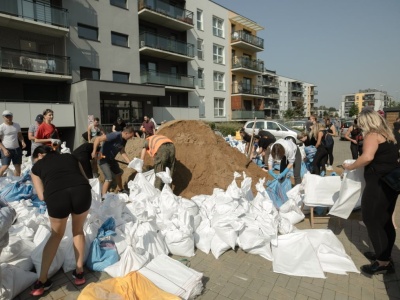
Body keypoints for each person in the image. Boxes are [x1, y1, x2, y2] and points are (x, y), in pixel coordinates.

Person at [342, 109, 399, 275]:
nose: (359, 127)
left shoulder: (372, 135)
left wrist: (350, 166)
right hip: (390, 183)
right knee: (385, 220)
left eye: (361, 123)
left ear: (367, 122)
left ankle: (383, 262)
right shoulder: (388, 134)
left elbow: (367, 157)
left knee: (371, 219)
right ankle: (384, 254)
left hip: (379, 184)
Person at [30, 146, 92, 296]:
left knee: (56, 236)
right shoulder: (70, 157)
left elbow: (42, 197)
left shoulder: (36, 167)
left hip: (57, 197)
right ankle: (79, 273)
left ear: (39, 155)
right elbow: (85, 178)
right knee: (78, 231)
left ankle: (42, 281)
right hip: (81, 191)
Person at [91, 126, 135, 195]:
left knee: (118, 173)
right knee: (109, 178)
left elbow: (122, 151)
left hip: (111, 159)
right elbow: (98, 139)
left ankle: (121, 190)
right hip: (102, 158)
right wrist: (94, 152)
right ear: (126, 133)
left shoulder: (124, 140)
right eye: (131, 136)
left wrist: (129, 162)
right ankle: (103, 198)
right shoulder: (115, 135)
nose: (131, 138)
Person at [0, 110, 26, 177]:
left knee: (18, 168)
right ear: (3, 117)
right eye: (7, 116)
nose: (9, 118)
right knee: (5, 166)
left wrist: (22, 142)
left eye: (10, 116)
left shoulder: (16, 125)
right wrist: (4, 150)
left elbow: (20, 135)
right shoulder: (2, 127)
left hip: (16, 149)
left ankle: (15, 182)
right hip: (6, 149)